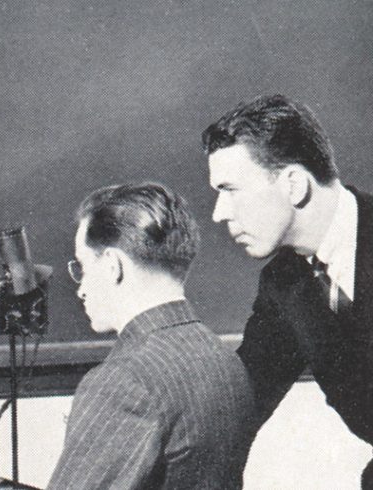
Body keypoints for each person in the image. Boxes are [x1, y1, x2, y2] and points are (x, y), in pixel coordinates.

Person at [204, 94, 373, 488]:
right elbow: (242, 403)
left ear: (294, 184)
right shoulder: (284, 283)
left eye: (231, 189)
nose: (218, 212)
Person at [48, 182, 254, 489]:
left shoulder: (122, 382)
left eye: (82, 266)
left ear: (111, 265)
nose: (81, 289)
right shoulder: (225, 361)